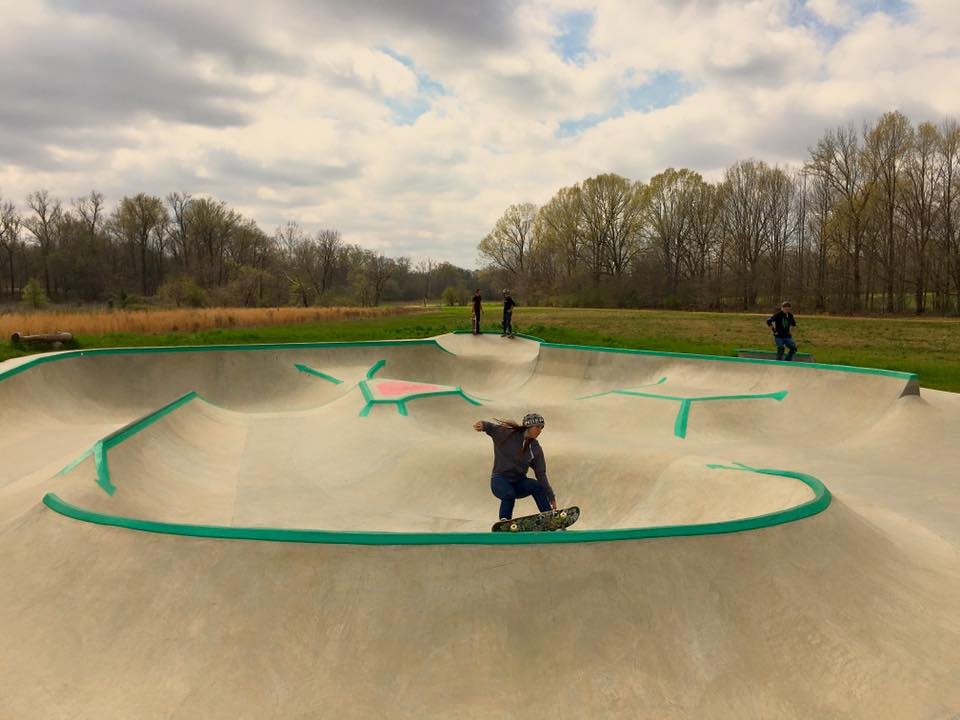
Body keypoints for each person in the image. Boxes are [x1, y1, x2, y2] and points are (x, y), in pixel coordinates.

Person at [473, 412, 556, 521]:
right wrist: (484, 425)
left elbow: (541, 474)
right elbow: (492, 428)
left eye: (542, 427)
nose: (540, 430)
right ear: (529, 426)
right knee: (508, 494)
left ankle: (549, 517)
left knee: (536, 486)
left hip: (519, 483)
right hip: (500, 480)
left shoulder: (535, 448)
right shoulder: (508, 434)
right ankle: (504, 521)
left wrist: (550, 496)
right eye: (538, 427)